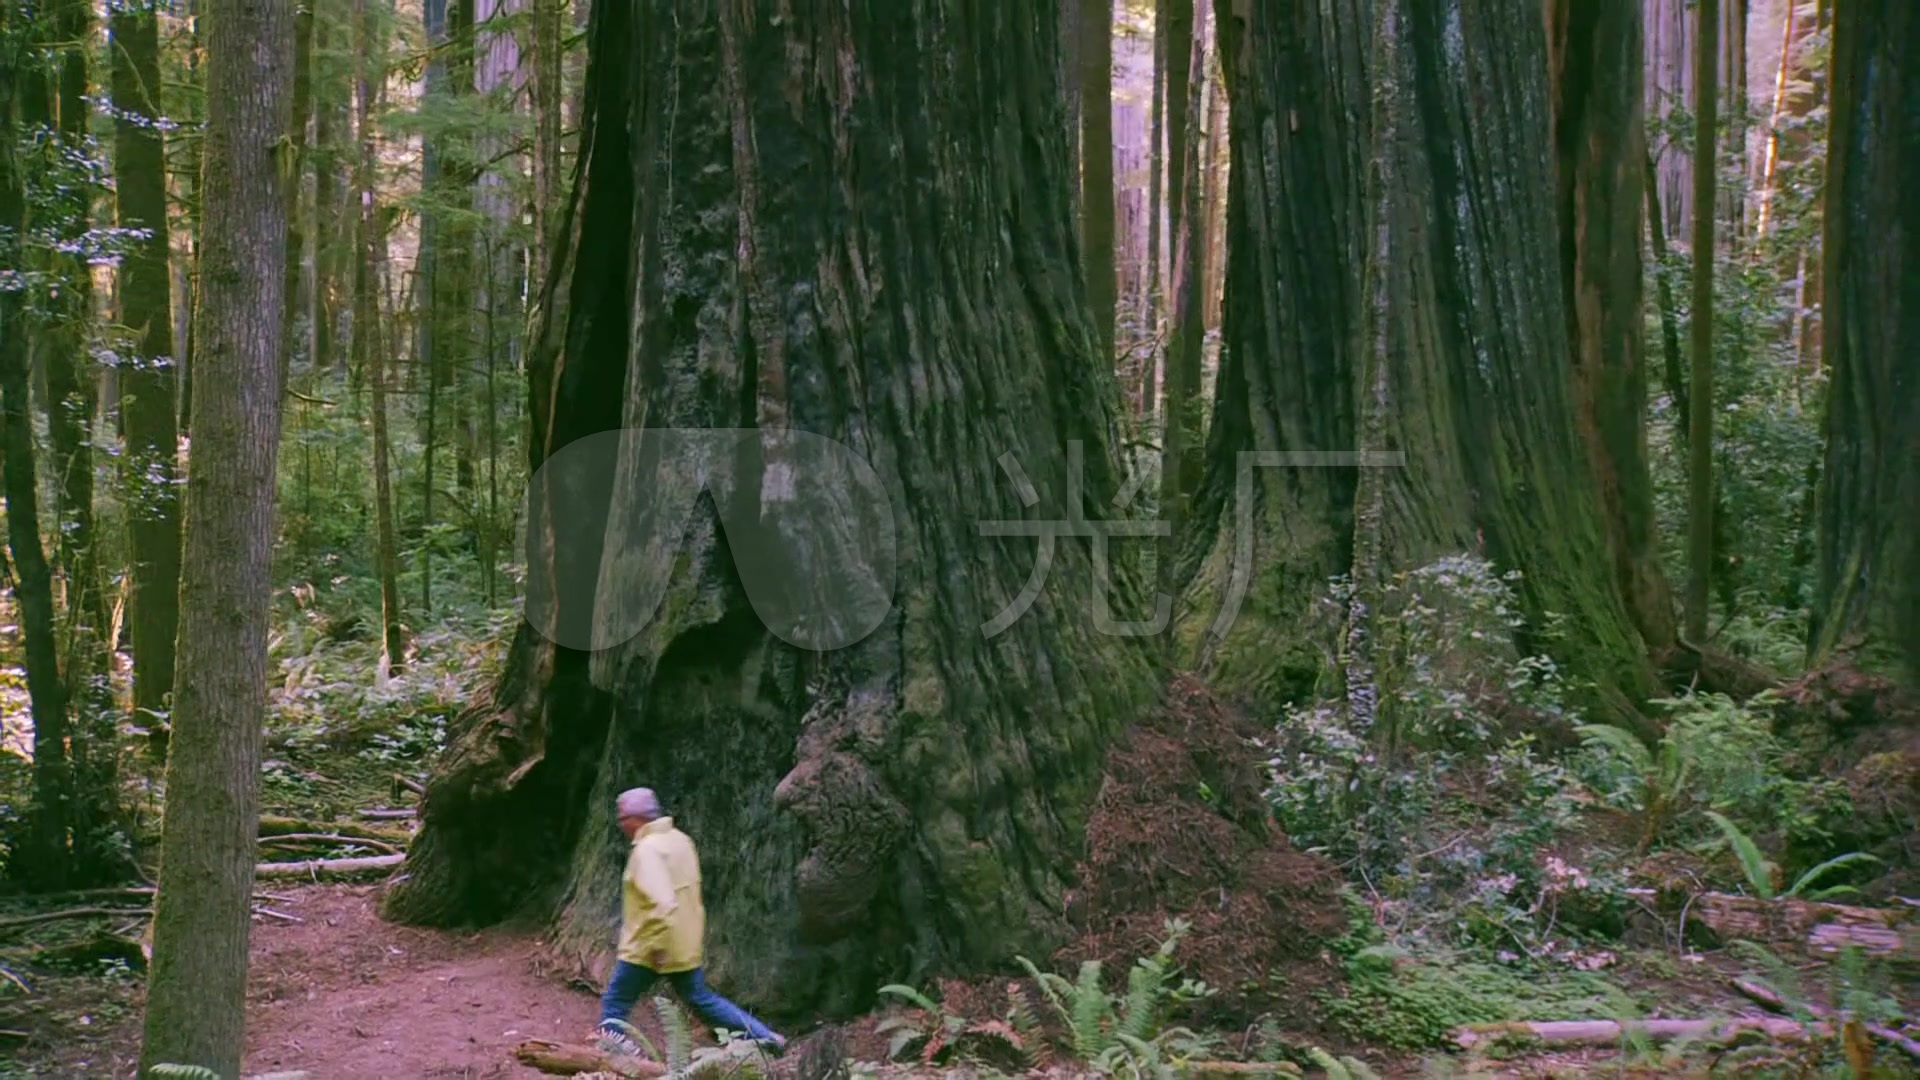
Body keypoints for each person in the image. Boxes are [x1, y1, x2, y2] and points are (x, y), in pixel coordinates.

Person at [594, 787, 787, 1056]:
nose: (621, 823)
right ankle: (765, 1037)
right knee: (702, 999)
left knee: (616, 1001)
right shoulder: (680, 840)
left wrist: (655, 945)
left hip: (648, 947)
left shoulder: (647, 851)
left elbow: (662, 902)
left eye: (622, 817)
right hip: (683, 942)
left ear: (634, 818)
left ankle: (610, 1056)